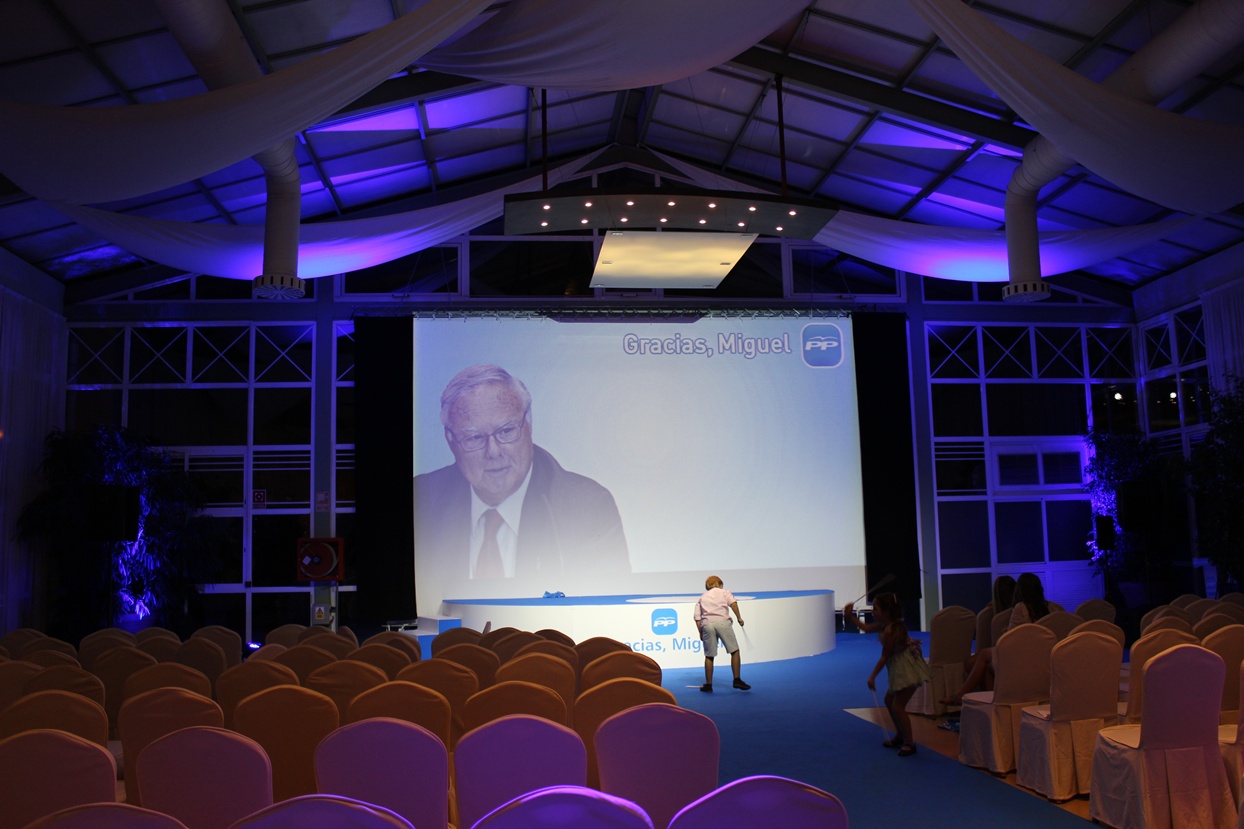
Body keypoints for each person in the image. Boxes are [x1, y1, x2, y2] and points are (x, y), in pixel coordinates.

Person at [413, 364, 629, 612]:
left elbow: (608, 612)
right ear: (451, 440)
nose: (493, 452)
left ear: (529, 424)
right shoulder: (422, 501)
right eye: (474, 438)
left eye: (506, 431)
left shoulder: (587, 507)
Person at [941, 571, 1049, 705]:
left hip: (1020, 654)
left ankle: (960, 696)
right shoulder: (1051, 608)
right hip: (1043, 656)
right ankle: (991, 706)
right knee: (986, 667)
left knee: (984, 655)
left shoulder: (1020, 608)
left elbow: (1012, 638)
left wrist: (1004, 631)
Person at [843, 593, 930, 756]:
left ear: (887, 612)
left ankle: (910, 743)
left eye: (875, 608)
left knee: (898, 706)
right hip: (899, 668)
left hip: (906, 670)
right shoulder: (887, 624)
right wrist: (850, 616)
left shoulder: (891, 630)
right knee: (889, 700)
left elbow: (885, 656)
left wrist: (872, 676)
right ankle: (900, 735)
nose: (873, 611)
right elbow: (866, 628)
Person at [694, 575, 750, 692]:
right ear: (720, 584)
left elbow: (697, 618)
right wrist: (739, 618)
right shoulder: (724, 592)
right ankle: (737, 679)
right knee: (734, 651)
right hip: (722, 623)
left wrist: (700, 632)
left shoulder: (702, 597)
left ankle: (709, 684)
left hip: (707, 625)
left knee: (709, 655)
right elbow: (733, 604)